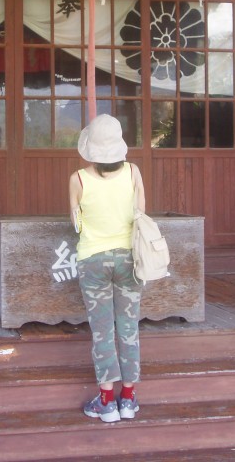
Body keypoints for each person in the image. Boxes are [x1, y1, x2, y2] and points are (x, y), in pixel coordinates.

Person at [69, 114, 145, 423]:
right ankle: (128, 399)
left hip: (93, 259)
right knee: (128, 327)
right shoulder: (133, 172)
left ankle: (105, 402)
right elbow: (140, 213)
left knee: (102, 330)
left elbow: (76, 223)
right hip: (129, 258)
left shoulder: (78, 178)